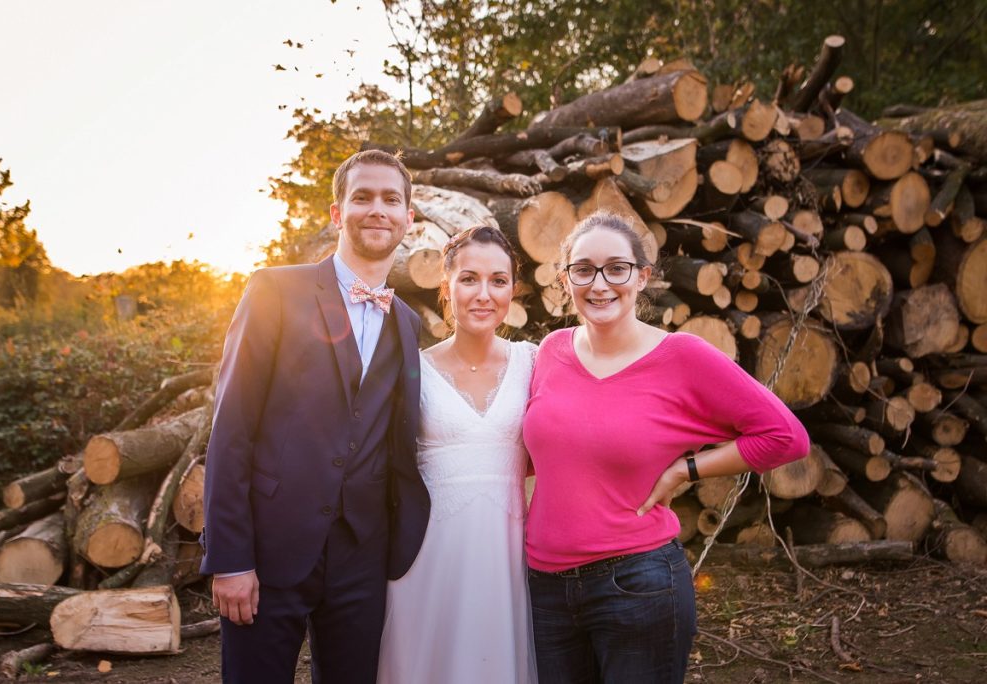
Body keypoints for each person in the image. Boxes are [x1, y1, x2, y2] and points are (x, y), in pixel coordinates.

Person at [522, 212, 810, 683]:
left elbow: (786, 437)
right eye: (583, 269)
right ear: (565, 278)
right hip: (545, 590)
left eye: (616, 268)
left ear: (642, 276)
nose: (599, 284)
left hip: (636, 585)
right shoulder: (551, 350)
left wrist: (686, 470)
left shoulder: (682, 357)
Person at [200, 149, 430, 684]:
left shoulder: (408, 323)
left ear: (409, 218)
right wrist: (230, 558)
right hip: (270, 546)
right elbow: (231, 429)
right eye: (363, 197)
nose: (379, 210)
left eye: (391, 200)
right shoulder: (275, 290)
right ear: (336, 213)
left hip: (363, 557)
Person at [377, 226, 538, 684]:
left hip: (504, 557)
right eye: (469, 279)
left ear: (513, 289)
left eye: (498, 281)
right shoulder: (414, 371)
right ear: (446, 288)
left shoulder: (534, 362)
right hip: (428, 559)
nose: (483, 294)